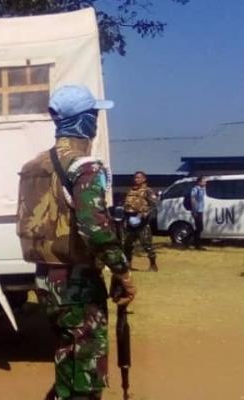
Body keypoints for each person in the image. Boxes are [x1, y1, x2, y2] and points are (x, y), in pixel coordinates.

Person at [16, 85, 137, 400]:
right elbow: (94, 228)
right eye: (93, 115)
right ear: (84, 121)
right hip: (77, 282)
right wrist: (123, 273)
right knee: (85, 373)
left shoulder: (33, 167)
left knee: (67, 361)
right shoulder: (84, 167)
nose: (96, 121)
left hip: (46, 279)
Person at [123, 171, 159, 271]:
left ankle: (153, 265)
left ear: (144, 179)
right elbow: (127, 205)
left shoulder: (147, 191)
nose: (136, 179)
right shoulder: (131, 191)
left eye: (139, 178)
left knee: (147, 245)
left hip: (142, 222)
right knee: (127, 245)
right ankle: (128, 265)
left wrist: (144, 214)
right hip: (130, 221)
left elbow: (154, 204)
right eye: (135, 178)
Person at [188, 176, 207, 250]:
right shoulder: (195, 189)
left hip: (200, 210)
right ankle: (197, 245)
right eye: (204, 181)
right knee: (199, 228)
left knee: (199, 228)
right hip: (196, 210)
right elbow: (193, 199)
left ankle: (188, 239)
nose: (205, 182)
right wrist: (194, 210)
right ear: (199, 182)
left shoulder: (203, 189)